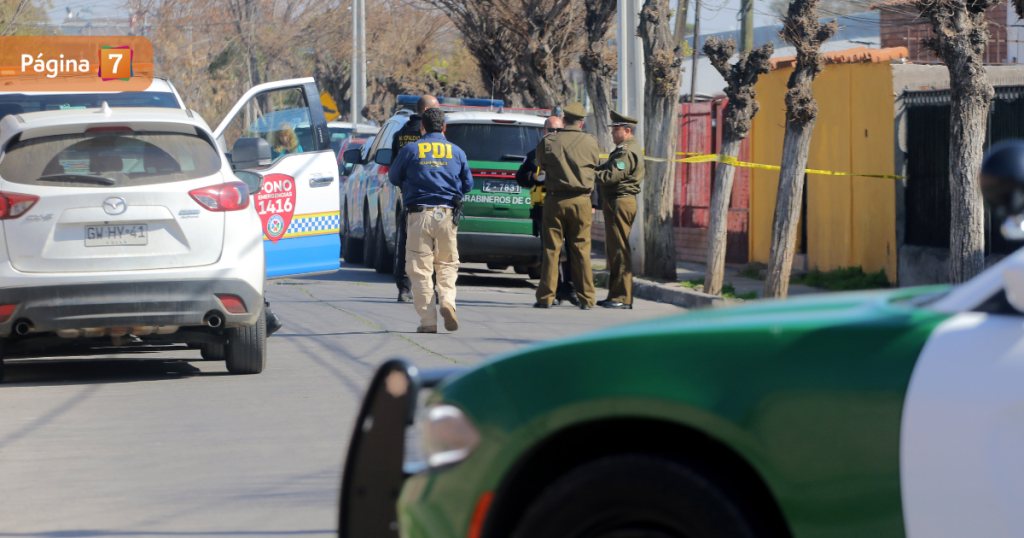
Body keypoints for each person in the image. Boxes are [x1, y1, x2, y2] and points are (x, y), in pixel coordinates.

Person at [388, 108, 474, 333]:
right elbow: (468, 184)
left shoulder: (410, 149)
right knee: (447, 264)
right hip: (447, 216)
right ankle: (447, 301)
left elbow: (393, 177)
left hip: (419, 215)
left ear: (422, 127)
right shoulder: (457, 151)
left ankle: (428, 321)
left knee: (420, 268)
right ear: (444, 127)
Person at [532, 102, 600, 310]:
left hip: (555, 200)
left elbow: (540, 163)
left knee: (551, 249)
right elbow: (594, 166)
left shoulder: (549, 141)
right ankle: (587, 299)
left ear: (563, 120)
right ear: (581, 123)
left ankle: (546, 297)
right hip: (582, 201)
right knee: (581, 250)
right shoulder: (591, 142)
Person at [515, 116, 579, 305]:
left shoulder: (573, 152)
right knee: (550, 252)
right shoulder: (535, 154)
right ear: (544, 132)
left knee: (573, 250)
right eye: (551, 130)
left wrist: (592, 204)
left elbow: (587, 176)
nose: (554, 133)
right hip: (544, 209)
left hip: (568, 207)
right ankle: (555, 291)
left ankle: (570, 289)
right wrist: (536, 177)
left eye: (558, 130)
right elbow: (520, 177)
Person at [391, 95, 441, 303]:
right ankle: (433, 290)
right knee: (435, 247)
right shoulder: (436, 137)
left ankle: (404, 289)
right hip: (435, 199)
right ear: (428, 111)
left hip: (410, 198)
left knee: (407, 245)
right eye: (437, 110)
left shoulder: (400, 134)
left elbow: (394, 170)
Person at [595, 110, 645, 310]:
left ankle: (622, 297)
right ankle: (615, 294)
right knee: (614, 250)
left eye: (616, 130)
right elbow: (606, 170)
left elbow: (611, 176)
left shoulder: (626, 152)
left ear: (627, 130)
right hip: (616, 201)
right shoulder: (622, 150)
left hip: (620, 201)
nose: (612, 133)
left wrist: (587, 174)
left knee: (619, 250)